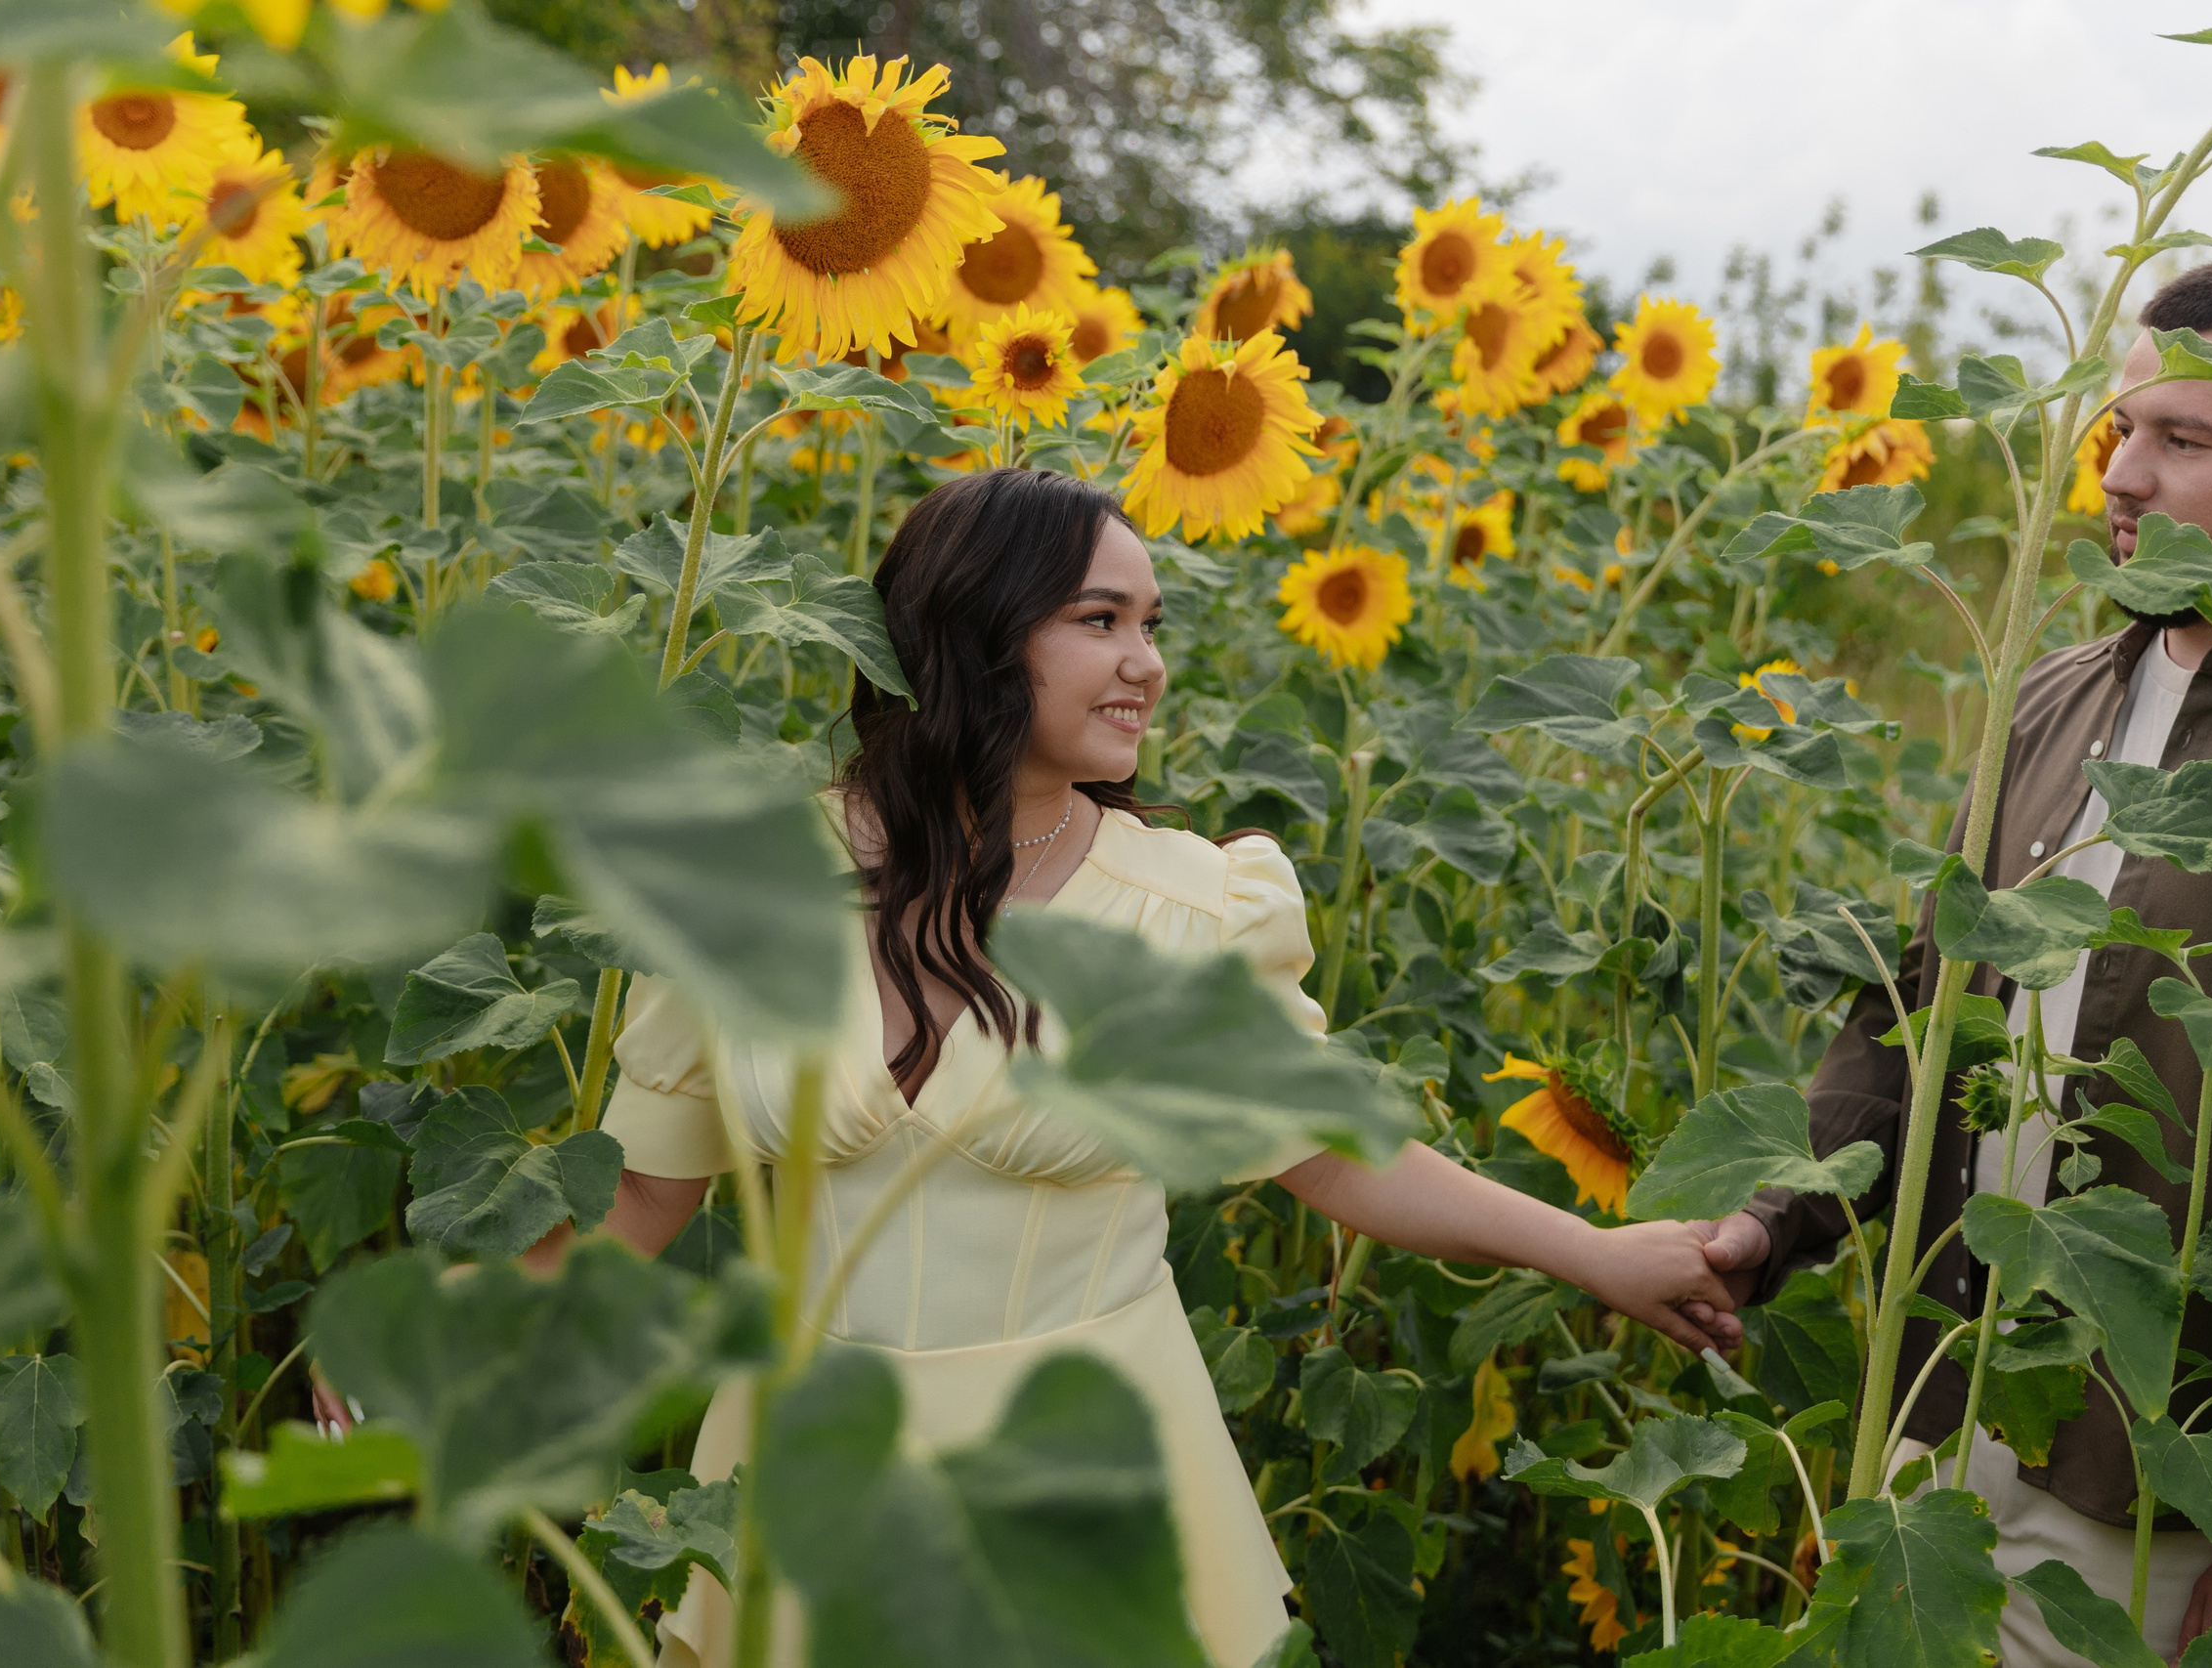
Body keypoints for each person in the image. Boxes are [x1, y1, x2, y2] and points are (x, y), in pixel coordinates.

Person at [511, 467, 1740, 1666]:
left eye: (1151, 623)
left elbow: (1332, 1153)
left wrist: (1591, 1252)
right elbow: (638, 1196)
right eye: (1099, 621)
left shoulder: (1191, 909)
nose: (1146, 662)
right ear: (971, 634)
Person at [1688, 258, 2212, 1664]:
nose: (2122, 474)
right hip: (1950, 1400)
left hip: (2177, 1498)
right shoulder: (2054, 692)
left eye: (2185, 440)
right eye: (2123, 428)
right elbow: (1914, 1013)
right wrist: (1774, 1217)